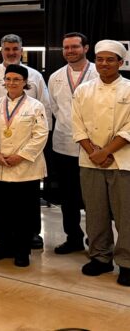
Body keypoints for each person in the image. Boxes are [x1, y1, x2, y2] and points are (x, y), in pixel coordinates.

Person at [0, 34, 51, 250]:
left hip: (25, 161)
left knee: (26, 206)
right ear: (1, 50)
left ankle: (25, 243)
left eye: (15, 49)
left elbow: (41, 128)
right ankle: (4, 242)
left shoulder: (35, 90)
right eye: (7, 49)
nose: (11, 52)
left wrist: (21, 155)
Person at [72, 39, 130, 287]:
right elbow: (77, 124)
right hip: (89, 161)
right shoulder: (83, 90)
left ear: (120, 62)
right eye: (100, 59)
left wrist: (106, 151)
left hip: (122, 160)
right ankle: (100, 257)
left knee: (125, 215)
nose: (104, 64)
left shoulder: (129, 88)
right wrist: (94, 152)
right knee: (95, 212)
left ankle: (127, 262)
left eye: (110, 60)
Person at [48, 32, 98, 254]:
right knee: (68, 197)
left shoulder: (99, 72)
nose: (70, 51)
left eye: (75, 47)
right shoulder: (56, 76)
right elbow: (55, 109)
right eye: (66, 47)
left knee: (94, 198)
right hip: (64, 144)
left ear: (86, 48)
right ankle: (73, 237)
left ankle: (96, 240)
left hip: (94, 147)